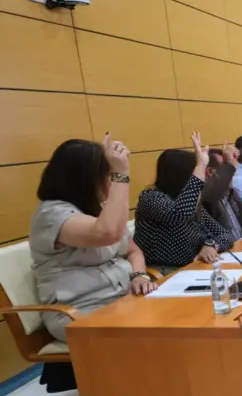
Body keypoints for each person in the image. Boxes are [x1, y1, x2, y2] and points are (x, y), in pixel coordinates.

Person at [30, 134, 157, 344]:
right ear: (84, 179)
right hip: (81, 311)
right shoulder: (51, 215)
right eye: (107, 175)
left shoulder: (98, 209)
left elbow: (133, 250)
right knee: (162, 334)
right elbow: (107, 234)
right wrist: (121, 173)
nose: (110, 182)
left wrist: (139, 275)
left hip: (123, 299)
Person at [134, 132, 234, 271]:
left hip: (196, 267)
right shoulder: (151, 198)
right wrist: (200, 165)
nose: (202, 177)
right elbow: (180, 213)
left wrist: (211, 245)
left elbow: (226, 235)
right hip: (166, 272)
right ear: (181, 175)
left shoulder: (190, 201)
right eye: (197, 173)